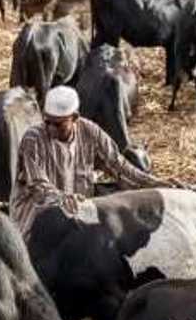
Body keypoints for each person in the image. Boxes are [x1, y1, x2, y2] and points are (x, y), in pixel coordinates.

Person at [10, 85, 174, 239]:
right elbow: (38, 186)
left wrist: (154, 182)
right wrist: (62, 198)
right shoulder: (33, 139)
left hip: (77, 212)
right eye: (47, 122)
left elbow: (119, 165)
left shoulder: (90, 132)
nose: (51, 128)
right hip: (37, 217)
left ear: (75, 117)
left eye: (58, 124)